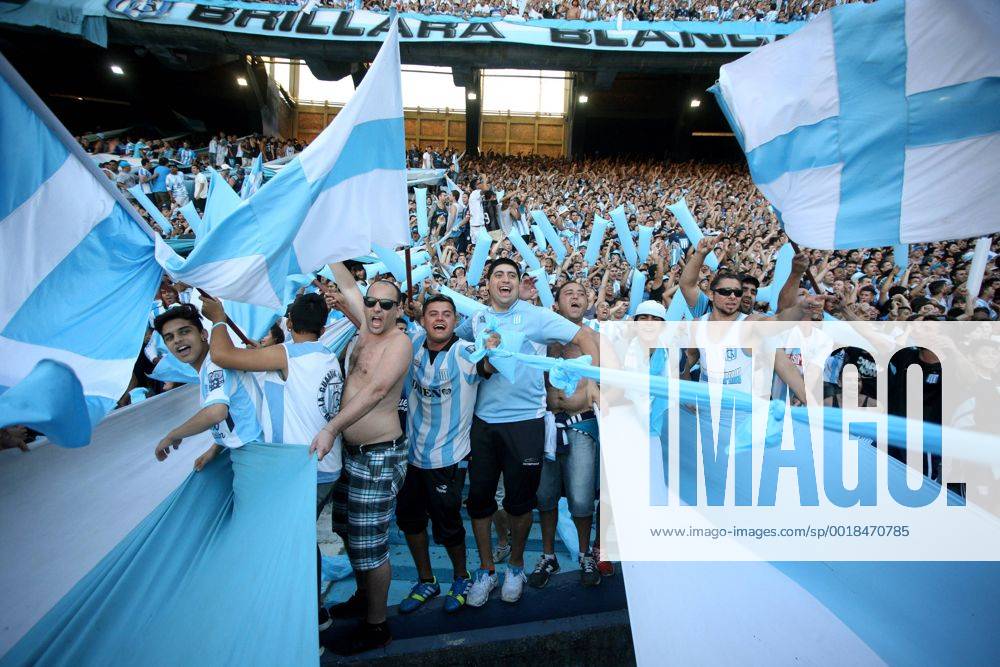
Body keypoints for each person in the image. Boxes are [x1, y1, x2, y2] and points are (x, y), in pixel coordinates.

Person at [199, 293, 344, 645]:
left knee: (292, 544)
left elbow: (221, 355)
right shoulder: (326, 352)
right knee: (301, 538)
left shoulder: (285, 355)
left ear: (289, 324)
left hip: (302, 469)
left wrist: (218, 319)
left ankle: (301, 621)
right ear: (324, 327)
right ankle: (311, 611)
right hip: (327, 465)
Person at [455, 258, 600, 606]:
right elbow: (453, 338)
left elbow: (584, 335)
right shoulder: (476, 319)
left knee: (520, 503)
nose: (504, 280)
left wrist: (595, 377)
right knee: (480, 502)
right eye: (498, 275)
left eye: (511, 275)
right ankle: (486, 571)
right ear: (488, 284)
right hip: (484, 423)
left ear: (519, 284)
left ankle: (516, 567)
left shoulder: (535, 316)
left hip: (526, 423)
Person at [310, 264, 413, 656]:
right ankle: (363, 598)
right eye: (371, 302)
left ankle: (376, 625)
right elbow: (347, 282)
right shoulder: (365, 329)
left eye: (386, 305)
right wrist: (327, 242)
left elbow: (377, 390)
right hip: (351, 455)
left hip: (379, 456)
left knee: (370, 546)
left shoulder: (398, 343)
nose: (376, 309)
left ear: (399, 309)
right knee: (348, 532)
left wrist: (331, 428)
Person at [394, 294, 491, 615]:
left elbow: (489, 365)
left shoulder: (465, 351)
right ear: (422, 320)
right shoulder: (410, 345)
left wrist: (494, 345)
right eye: (433, 313)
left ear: (455, 321)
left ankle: (461, 577)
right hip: (410, 456)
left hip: (448, 459)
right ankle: (426, 580)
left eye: (447, 314)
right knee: (410, 523)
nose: (439, 318)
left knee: (449, 526)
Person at [529, 281, 603, 589]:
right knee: (545, 497)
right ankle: (548, 555)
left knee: (582, 498)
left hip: (581, 424)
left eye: (581, 294)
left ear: (587, 303)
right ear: (556, 303)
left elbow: (613, 380)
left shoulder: (596, 339)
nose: (575, 297)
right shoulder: (541, 339)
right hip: (546, 424)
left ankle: (585, 554)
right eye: (568, 293)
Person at [152, 304, 265, 463]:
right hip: (249, 450)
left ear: (203, 334)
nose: (177, 340)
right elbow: (233, 414)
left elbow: (216, 413)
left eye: (184, 331)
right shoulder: (208, 366)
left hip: (255, 452)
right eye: (169, 337)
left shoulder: (215, 365)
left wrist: (173, 435)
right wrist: (215, 448)